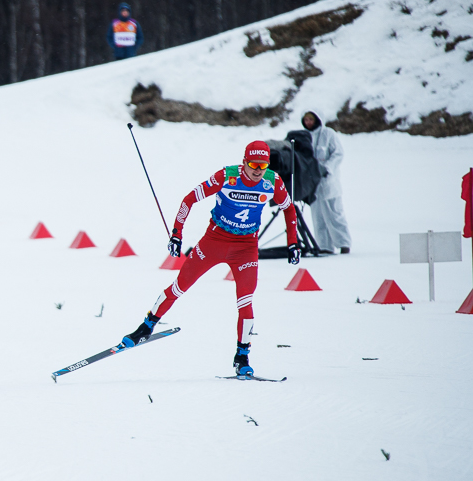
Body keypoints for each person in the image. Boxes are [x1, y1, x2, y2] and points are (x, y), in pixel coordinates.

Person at [119, 141, 299, 378]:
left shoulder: (272, 181)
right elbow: (189, 199)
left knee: (245, 301)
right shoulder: (226, 177)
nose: (258, 170)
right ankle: (146, 326)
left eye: (263, 165)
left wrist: (293, 242)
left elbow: (289, 208)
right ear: (244, 162)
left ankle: (242, 357)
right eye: (254, 164)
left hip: (246, 248)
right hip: (214, 242)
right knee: (179, 286)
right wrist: (176, 234)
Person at [300, 110, 351, 254]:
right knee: (318, 218)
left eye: (311, 119)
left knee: (334, 214)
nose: (308, 122)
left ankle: (343, 243)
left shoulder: (328, 134)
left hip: (328, 184)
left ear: (317, 119)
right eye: (306, 120)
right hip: (313, 185)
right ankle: (324, 246)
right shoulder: (304, 137)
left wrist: (327, 168)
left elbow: (338, 153)